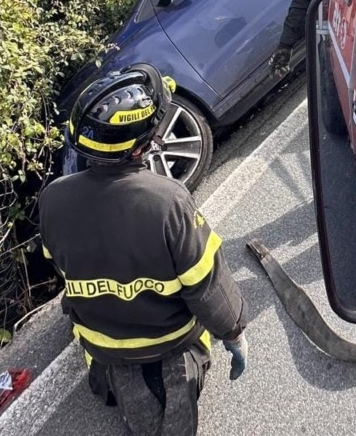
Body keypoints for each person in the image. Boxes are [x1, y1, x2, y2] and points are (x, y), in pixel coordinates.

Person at [39, 65, 247, 436]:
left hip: (101, 342)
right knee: (185, 374)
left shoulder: (53, 198)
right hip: (171, 337)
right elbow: (207, 286)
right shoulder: (168, 201)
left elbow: (60, 267)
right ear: (141, 146)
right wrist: (234, 333)